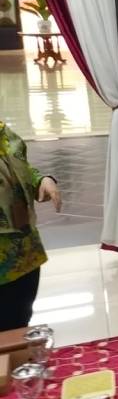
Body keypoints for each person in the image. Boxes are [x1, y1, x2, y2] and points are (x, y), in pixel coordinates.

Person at [0, 122, 61, 330]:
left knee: (19, 325)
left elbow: (21, 168)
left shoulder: (4, 132)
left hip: (24, 255)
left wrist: (41, 181)